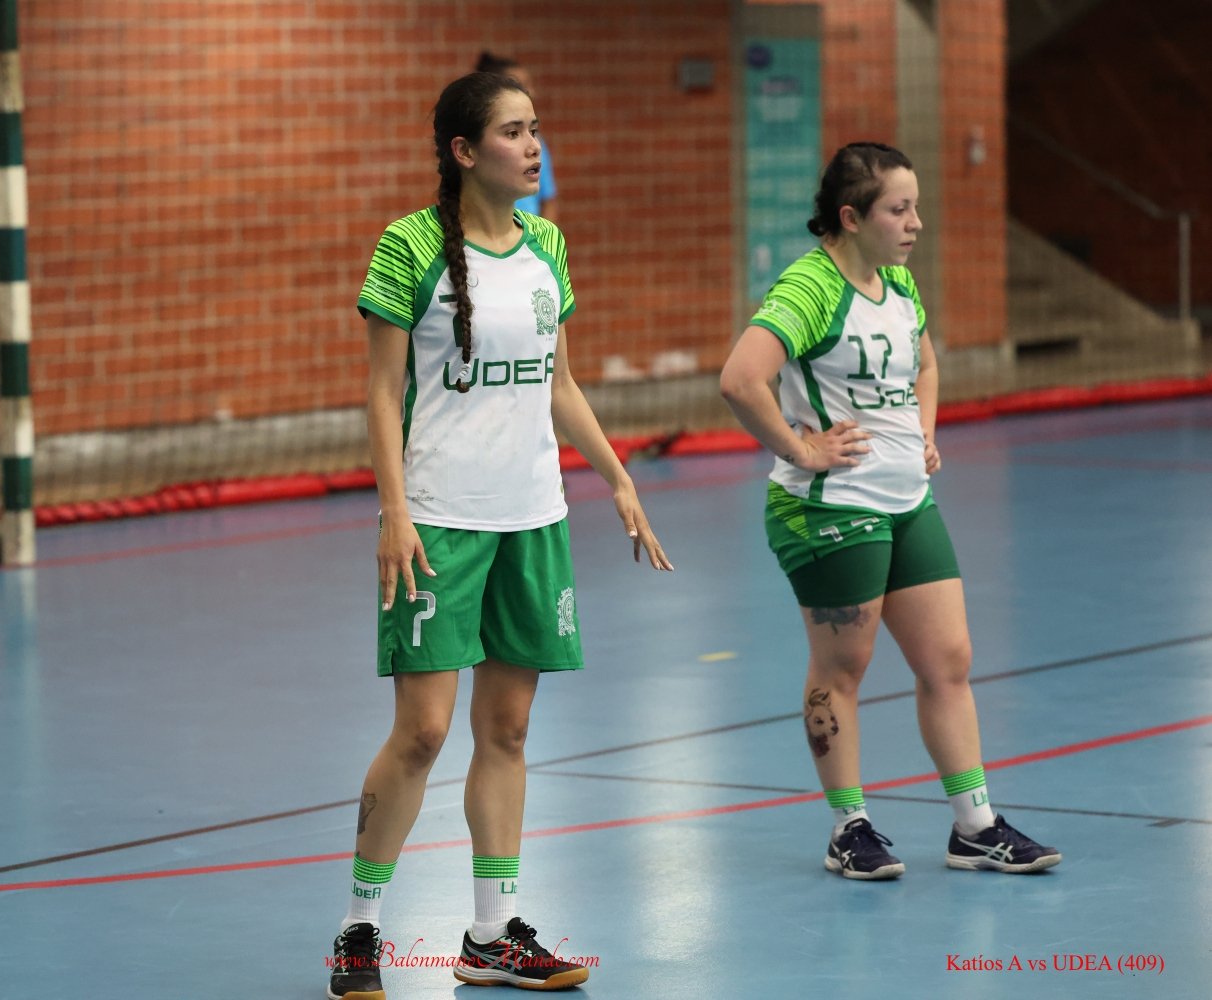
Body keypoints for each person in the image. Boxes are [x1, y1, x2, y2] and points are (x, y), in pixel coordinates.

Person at [327, 72, 672, 1000]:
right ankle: (359, 929)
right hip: (439, 519)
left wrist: (617, 477)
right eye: (514, 131)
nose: (533, 146)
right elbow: (380, 395)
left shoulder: (547, 244)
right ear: (464, 150)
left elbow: (559, 382)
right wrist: (395, 513)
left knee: (508, 729)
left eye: (535, 129)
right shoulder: (408, 247)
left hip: (532, 518)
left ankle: (491, 934)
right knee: (423, 732)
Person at [719, 142, 1060, 880]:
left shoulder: (898, 283)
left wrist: (923, 432)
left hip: (907, 500)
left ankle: (974, 828)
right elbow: (741, 379)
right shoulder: (812, 287)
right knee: (843, 666)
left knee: (949, 660)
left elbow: (925, 363)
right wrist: (801, 449)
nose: (916, 224)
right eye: (899, 210)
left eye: (916, 208)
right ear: (851, 217)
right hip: (832, 506)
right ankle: (849, 828)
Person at [475, 52, 557, 220]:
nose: (531, 92)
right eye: (511, 134)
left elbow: (548, 199)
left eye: (532, 131)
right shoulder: (476, 145)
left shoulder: (537, 144)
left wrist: (541, 235)